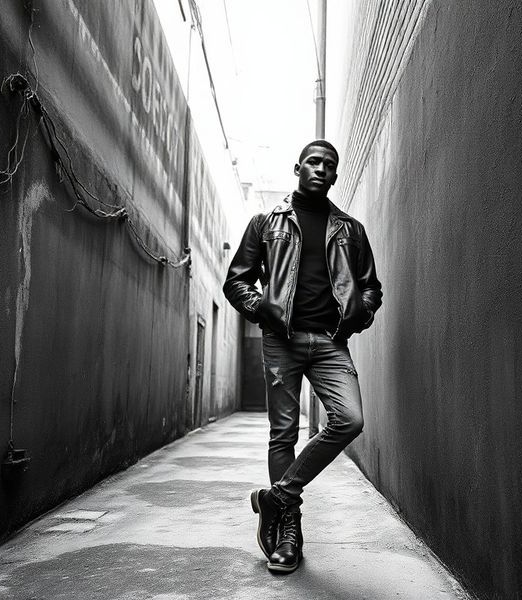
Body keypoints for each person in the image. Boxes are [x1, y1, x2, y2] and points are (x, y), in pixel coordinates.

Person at [223, 140, 383, 573]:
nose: (321, 168)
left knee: (350, 419)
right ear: (298, 167)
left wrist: (359, 314)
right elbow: (236, 282)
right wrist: (264, 310)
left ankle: (276, 499)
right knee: (283, 434)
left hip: (331, 342)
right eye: (314, 161)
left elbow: (371, 287)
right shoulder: (266, 222)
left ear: (334, 175)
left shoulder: (350, 229)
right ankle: (288, 532)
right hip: (283, 340)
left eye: (329, 165)